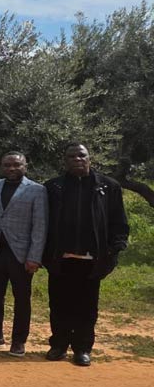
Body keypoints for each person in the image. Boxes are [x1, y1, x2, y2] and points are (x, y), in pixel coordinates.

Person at [42, 144, 129, 367]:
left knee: (87, 307)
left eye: (81, 155)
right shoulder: (53, 187)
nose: (77, 159)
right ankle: (59, 345)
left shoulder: (108, 187)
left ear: (90, 158)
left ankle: (82, 348)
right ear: (65, 160)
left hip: (92, 260)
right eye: (71, 156)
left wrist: (114, 249)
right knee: (59, 304)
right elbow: (43, 222)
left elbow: (118, 221)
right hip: (60, 258)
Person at [0, 152, 47, 356]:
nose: (11, 169)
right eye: (7, 165)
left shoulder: (37, 190)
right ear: (1, 166)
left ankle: (19, 341)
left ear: (25, 166)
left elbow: (40, 226)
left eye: (16, 165)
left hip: (21, 254)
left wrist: (34, 257)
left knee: (22, 299)